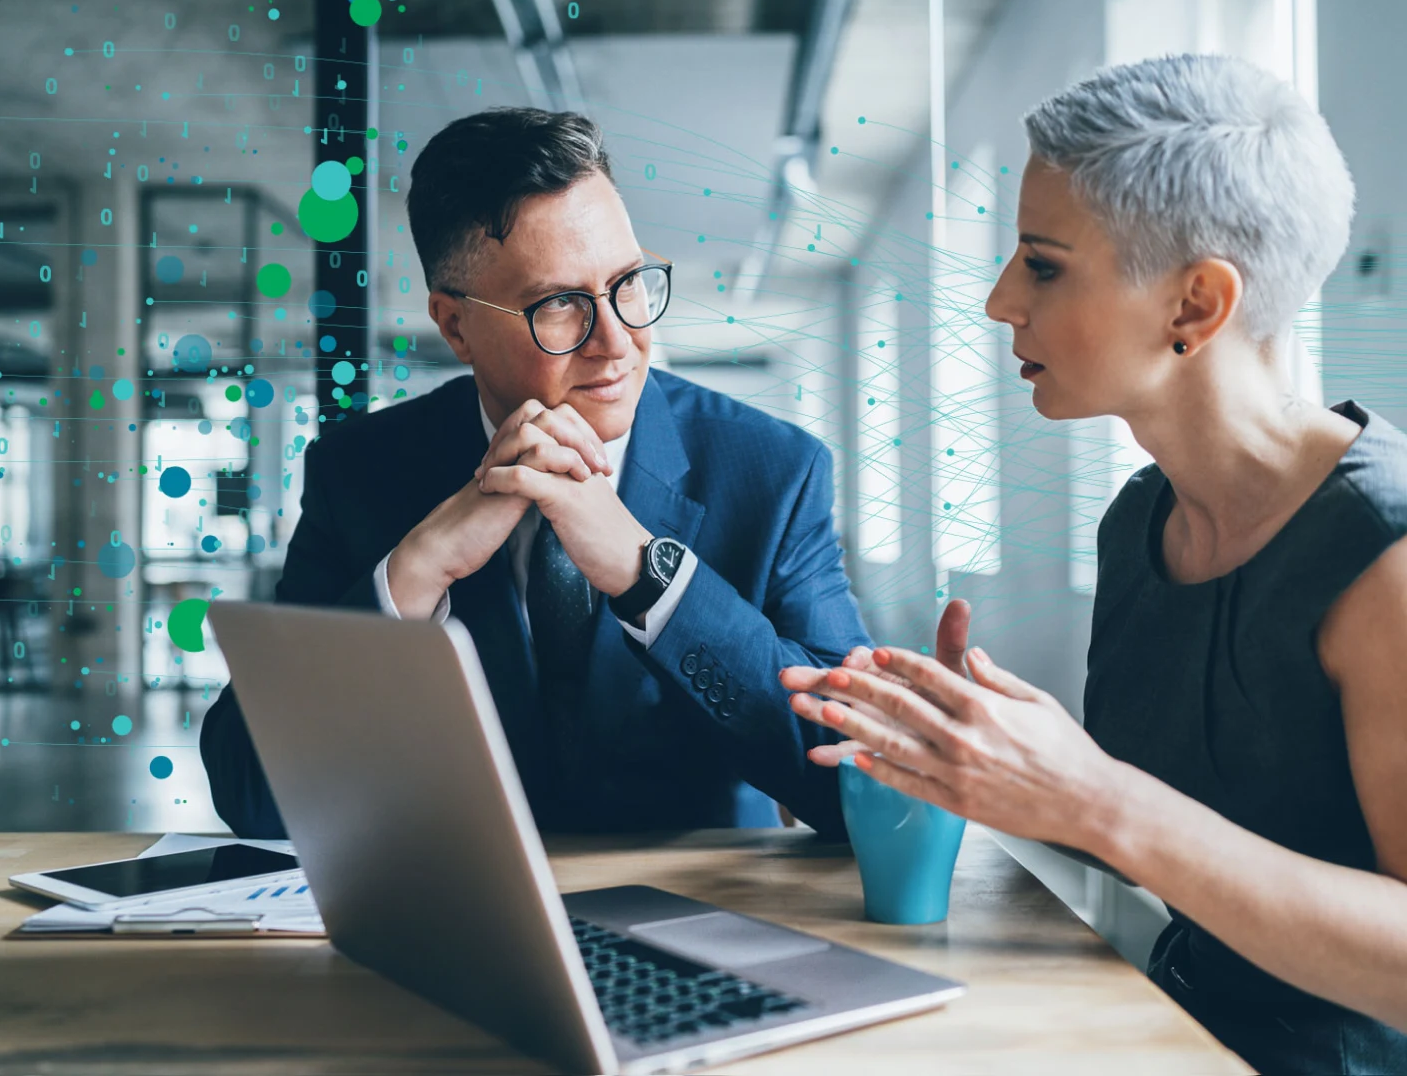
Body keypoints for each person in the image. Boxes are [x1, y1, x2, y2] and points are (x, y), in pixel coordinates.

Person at [781, 55, 1407, 1074]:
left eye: (1040, 263)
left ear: (1193, 306)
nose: (996, 301)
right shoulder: (1140, 520)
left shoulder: (1387, 552)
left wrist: (1092, 796)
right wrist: (981, 754)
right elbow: (1171, 832)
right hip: (1164, 1029)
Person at [201, 107, 866, 840]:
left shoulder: (774, 473)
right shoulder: (360, 474)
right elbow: (251, 792)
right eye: (560, 305)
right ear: (455, 326)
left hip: (706, 916)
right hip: (462, 921)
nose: (618, 342)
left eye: (629, 282)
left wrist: (653, 578)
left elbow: (856, 782)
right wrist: (416, 572)